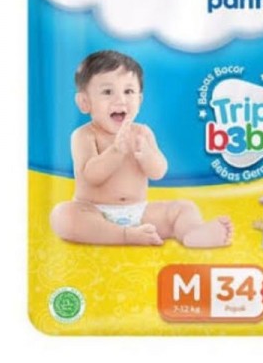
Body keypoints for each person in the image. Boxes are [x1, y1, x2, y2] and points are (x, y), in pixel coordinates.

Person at [50, 50, 233, 247]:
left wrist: (147, 156)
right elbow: (90, 176)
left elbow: (158, 172)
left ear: (140, 100)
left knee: (184, 207)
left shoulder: (142, 133)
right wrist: (116, 152)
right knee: (63, 216)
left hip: (139, 212)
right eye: (107, 92)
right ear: (85, 102)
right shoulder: (84, 135)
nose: (120, 100)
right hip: (94, 211)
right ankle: (125, 235)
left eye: (128, 91)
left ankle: (192, 233)